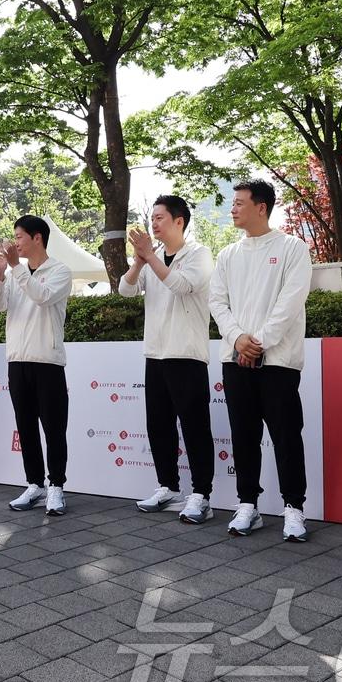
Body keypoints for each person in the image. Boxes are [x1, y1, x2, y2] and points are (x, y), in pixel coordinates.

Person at [208, 180, 312, 542]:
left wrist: (260, 342)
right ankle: (247, 505)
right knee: (244, 435)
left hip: (279, 361)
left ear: (261, 207)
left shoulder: (292, 248)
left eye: (239, 203)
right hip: (235, 358)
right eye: (232, 204)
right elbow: (217, 303)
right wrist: (238, 339)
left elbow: (290, 301)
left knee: (285, 436)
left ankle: (294, 509)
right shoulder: (227, 255)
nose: (233, 209)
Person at [119, 196, 216, 524]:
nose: (154, 224)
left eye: (160, 217)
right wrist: (139, 261)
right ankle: (168, 486)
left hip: (187, 354)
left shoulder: (199, 254)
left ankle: (201, 494)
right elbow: (125, 290)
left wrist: (150, 258)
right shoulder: (153, 257)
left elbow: (182, 285)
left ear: (179, 221)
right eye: (152, 218)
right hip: (156, 354)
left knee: (194, 427)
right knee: (158, 425)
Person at [0, 216, 73, 516]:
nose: (15, 242)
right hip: (17, 362)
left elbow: (42, 296)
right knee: (25, 426)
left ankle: (56, 487)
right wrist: (0, 272)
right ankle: (34, 483)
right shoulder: (12, 274)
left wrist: (15, 267)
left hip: (47, 362)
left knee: (54, 428)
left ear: (37, 238)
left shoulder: (60, 270)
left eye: (19, 236)